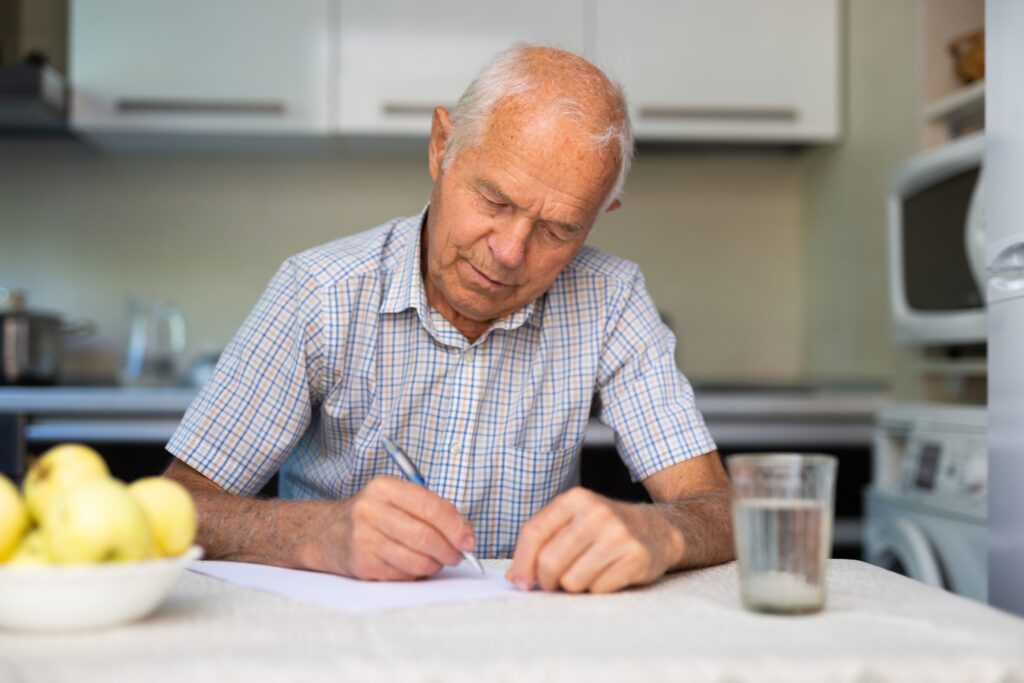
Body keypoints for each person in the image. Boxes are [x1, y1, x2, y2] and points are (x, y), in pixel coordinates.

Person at [165, 44, 733, 594]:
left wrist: (663, 530)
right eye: (493, 200)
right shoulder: (318, 292)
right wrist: (317, 532)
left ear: (599, 217)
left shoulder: (610, 300)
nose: (511, 252)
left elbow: (719, 509)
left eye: (559, 230)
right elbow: (175, 505)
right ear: (442, 146)